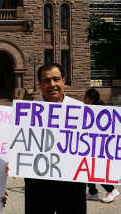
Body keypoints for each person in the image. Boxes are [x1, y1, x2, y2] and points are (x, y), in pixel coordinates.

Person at [24, 63, 86, 214]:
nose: (52, 84)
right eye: (46, 80)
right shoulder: (28, 111)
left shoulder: (81, 109)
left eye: (56, 79)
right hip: (38, 183)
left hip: (72, 182)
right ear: (40, 84)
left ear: (63, 81)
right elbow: (19, 143)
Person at [84, 88, 120, 203]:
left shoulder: (96, 111)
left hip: (97, 146)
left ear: (91, 98)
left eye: (86, 97)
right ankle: (93, 192)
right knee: (88, 169)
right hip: (92, 145)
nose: (84, 100)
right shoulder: (101, 109)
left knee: (95, 170)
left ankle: (112, 190)